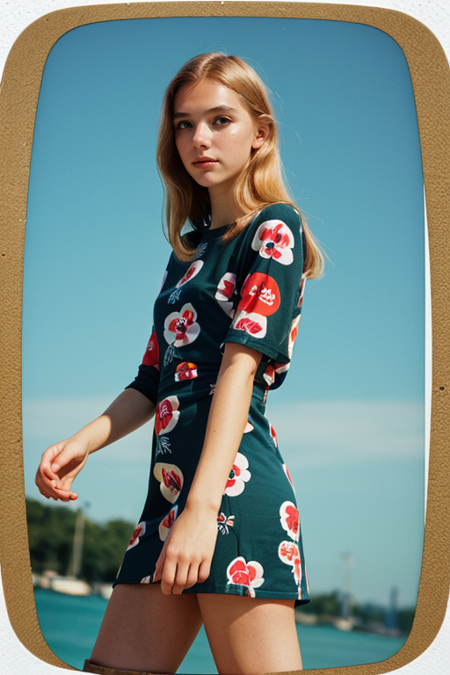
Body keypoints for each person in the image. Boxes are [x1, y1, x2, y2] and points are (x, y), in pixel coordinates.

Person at [35, 52, 324, 675]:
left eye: (220, 120)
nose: (199, 139)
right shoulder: (186, 255)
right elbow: (152, 380)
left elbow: (238, 372)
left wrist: (200, 511)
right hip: (166, 502)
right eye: (184, 123)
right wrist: (82, 442)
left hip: (232, 497)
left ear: (261, 134)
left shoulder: (275, 228)